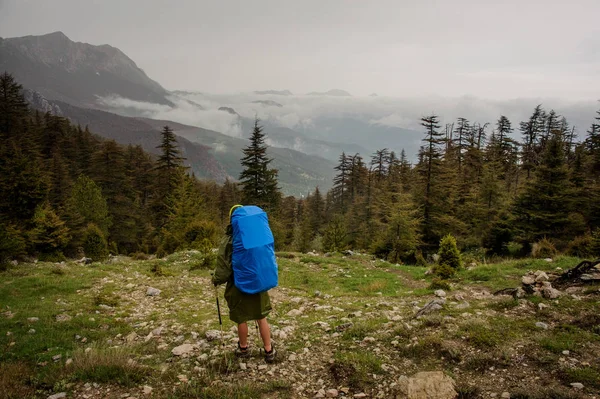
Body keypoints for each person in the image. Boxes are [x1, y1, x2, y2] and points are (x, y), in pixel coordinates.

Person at [212, 205, 276, 363]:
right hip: (259, 281)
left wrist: (216, 280)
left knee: (241, 318)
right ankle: (269, 350)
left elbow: (224, 266)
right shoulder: (259, 235)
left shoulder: (230, 239)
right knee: (261, 317)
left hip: (238, 284)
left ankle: (243, 348)